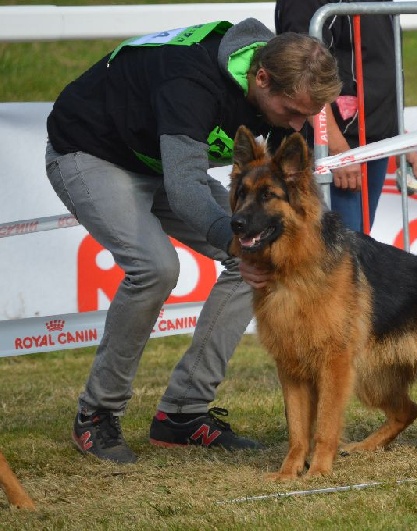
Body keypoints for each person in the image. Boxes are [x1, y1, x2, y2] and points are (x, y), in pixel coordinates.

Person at [45, 18, 342, 464]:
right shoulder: (190, 79)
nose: (299, 125)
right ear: (260, 78)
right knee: (156, 268)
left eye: (308, 115)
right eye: (292, 112)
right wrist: (240, 244)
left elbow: (289, 192)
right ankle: (97, 413)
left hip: (156, 160)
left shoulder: (281, 82)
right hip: (91, 150)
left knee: (261, 264)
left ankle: (182, 412)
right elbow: (185, 190)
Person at [275, 0, 417, 233]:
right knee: (339, 253)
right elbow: (302, 81)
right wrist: (338, 152)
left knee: (357, 246)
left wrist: (400, 139)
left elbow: (380, 66)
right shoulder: (302, 4)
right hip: (332, 146)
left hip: (373, 140)